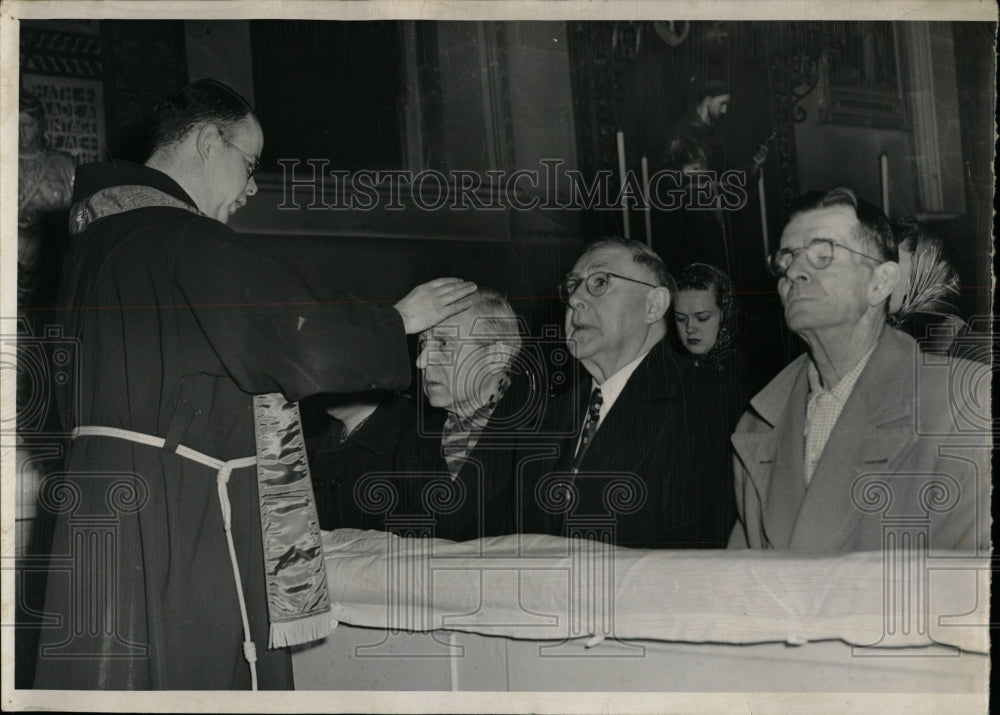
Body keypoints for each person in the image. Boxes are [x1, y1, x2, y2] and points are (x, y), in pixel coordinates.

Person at [34, 79, 477, 690]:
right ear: (207, 140)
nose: (250, 188)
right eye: (249, 164)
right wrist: (397, 320)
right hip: (173, 511)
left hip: (99, 507)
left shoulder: (102, 244)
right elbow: (298, 338)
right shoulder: (181, 237)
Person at [729, 188, 990, 552]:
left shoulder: (962, 404)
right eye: (786, 258)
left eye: (823, 255)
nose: (795, 271)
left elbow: (964, 587)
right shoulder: (757, 426)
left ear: (881, 283)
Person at [519, 237, 734, 549]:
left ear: (653, 306)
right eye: (572, 285)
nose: (576, 298)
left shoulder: (710, 401)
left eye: (600, 282)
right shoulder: (548, 416)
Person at [311, 289, 527, 542]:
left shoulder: (546, 433)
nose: (421, 362)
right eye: (423, 344)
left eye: (444, 344)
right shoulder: (411, 440)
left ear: (497, 356)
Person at [672, 263, 750, 525]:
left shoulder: (744, 380)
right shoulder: (671, 373)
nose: (690, 329)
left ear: (726, 316)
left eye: (702, 318)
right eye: (681, 319)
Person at [17, 90, 76, 312]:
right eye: (16, 125)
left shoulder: (63, 165)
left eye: (27, 125)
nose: (21, 133)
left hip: (51, 260)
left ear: (39, 126)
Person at [887, 216, 966, 355]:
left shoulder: (956, 341)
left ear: (923, 270)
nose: (883, 276)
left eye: (894, 263)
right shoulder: (895, 329)